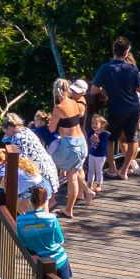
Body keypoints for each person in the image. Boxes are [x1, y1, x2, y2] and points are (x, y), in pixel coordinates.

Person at [38, 77, 91, 218]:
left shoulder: (58, 107)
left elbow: (51, 129)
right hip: (81, 143)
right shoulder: (75, 102)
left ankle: (50, 200)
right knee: (73, 177)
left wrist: (50, 120)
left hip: (69, 145)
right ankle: (69, 210)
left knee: (46, 164)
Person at [93, 37, 140, 178]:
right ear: (127, 52)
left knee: (109, 139)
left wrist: (105, 91)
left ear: (113, 51)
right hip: (134, 108)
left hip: (116, 109)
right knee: (132, 139)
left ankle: (112, 169)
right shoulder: (132, 68)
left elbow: (93, 90)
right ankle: (124, 170)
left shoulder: (105, 68)